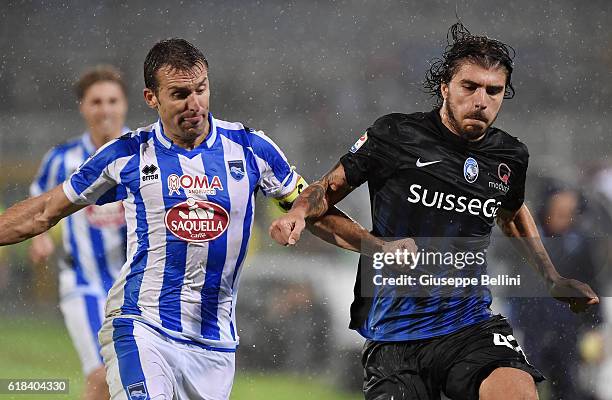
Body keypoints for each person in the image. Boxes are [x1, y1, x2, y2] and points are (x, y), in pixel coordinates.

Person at [0, 38, 382, 400]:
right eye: (180, 94)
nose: (194, 103)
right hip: (143, 325)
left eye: (201, 89)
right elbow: (46, 210)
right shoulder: (128, 154)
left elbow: (312, 208)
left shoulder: (251, 148)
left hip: (214, 344)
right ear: (152, 98)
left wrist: (376, 248)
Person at [269, 23, 599, 400]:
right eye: (469, 86)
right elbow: (324, 194)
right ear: (445, 87)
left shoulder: (510, 156)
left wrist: (551, 276)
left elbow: (511, 212)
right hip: (396, 337)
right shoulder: (396, 136)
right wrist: (302, 212)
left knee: (518, 393)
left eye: (493, 91)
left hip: (470, 326)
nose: (481, 100)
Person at [28, 65, 129, 400]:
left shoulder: (143, 153)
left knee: (133, 376)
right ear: (83, 108)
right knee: (101, 375)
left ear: (125, 104)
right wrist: (40, 237)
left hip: (136, 285)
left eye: (112, 101)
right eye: (97, 101)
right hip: (84, 281)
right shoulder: (62, 159)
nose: (106, 110)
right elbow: (37, 200)